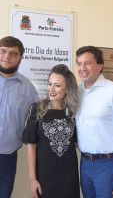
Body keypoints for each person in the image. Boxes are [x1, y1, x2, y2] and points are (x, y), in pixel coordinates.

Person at [75, 46, 113, 198]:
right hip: (85, 163)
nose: (82, 68)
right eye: (79, 63)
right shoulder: (76, 92)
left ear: (100, 66)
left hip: (109, 164)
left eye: (87, 63)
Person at [22, 64, 80, 198]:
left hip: (69, 177)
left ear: (67, 89)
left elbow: (77, 143)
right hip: (44, 177)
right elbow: (31, 146)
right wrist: (32, 179)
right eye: (50, 84)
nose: (51, 89)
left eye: (57, 85)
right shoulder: (37, 109)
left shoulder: (74, 112)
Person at [0, 36, 39, 198]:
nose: (7, 57)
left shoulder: (28, 87)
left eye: (13, 53)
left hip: (7, 157)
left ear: (20, 58)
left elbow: (39, 118)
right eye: (3, 51)